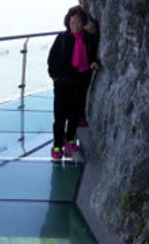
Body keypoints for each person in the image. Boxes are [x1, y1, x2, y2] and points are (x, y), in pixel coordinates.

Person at [47, 6, 99, 159]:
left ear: (83, 23)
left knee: (75, 115)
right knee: (60, 116)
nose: (75, 25)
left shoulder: (88, 39)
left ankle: (70, 140)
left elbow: (92, 55)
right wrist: (55, 77)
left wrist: (93, 63)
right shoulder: (62, 39)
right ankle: (57, 146)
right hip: (63, 83)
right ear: (68, 23)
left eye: (78, 22)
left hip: (79, 82)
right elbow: (52, 59)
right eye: (72, 22)